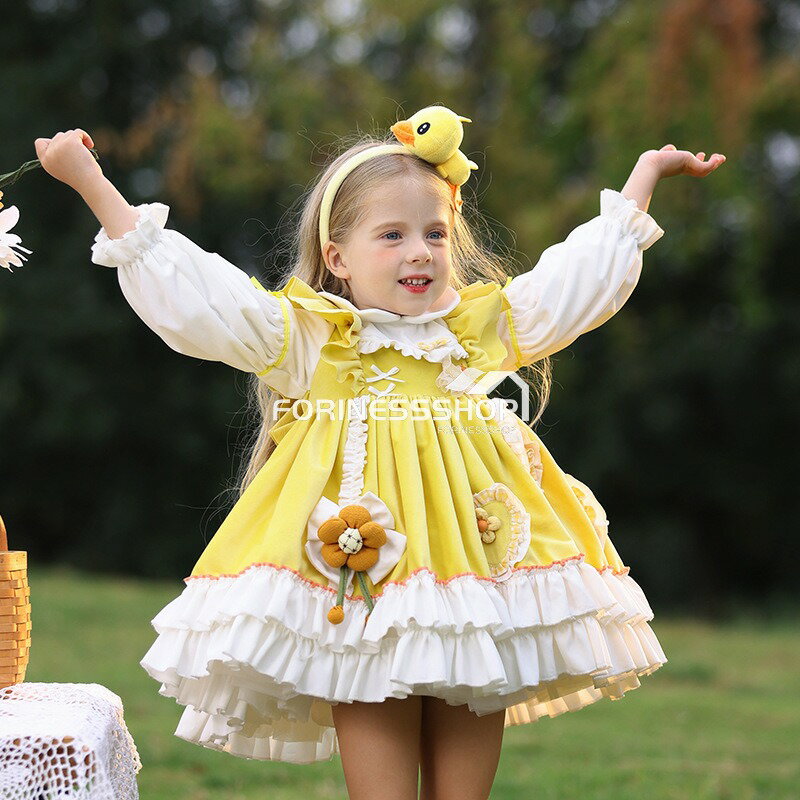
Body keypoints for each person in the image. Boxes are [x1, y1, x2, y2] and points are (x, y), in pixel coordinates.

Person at [35, 105, 725, 800]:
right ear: (338, 257)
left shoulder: (475, 329)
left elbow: (577, 284)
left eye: (433, 233)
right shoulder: (312, 338)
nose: (419, 252)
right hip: (359, 580)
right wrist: (90, 180)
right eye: (391, 235)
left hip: (473, 574)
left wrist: (642, 178)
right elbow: (195, 296)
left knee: (465, 763)